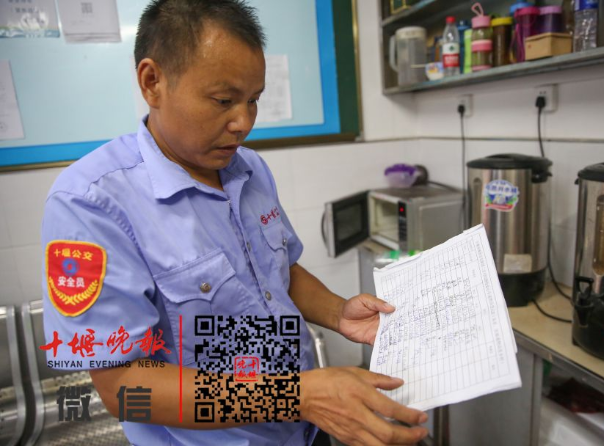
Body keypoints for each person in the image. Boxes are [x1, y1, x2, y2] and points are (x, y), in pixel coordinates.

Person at [41, 1, 429, 445]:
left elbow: (279, 273)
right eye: (223, 101)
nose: (243, 123)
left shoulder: (249, 169)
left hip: (304, 427)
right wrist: (296, 396)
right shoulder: (90, 203)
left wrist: (338, 313)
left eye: (253, 100)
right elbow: (124, 390)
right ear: (152, 82)